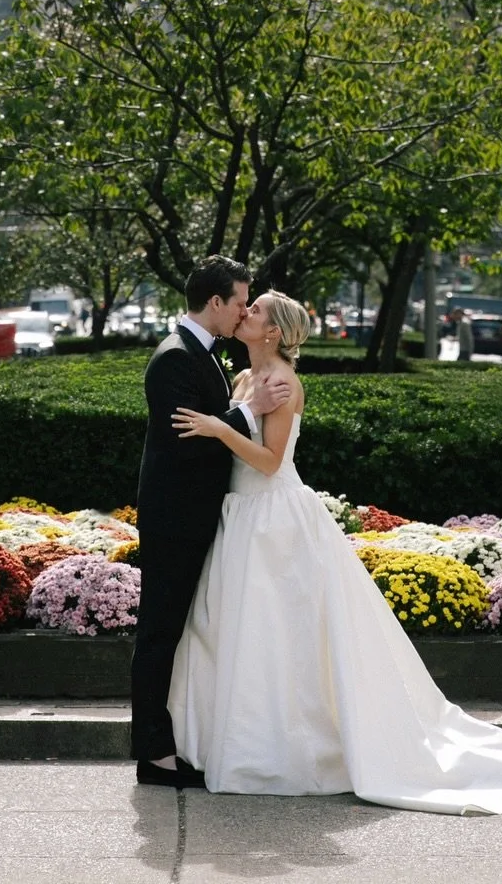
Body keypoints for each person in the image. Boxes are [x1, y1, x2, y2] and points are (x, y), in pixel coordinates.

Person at [168, 290, 502, 813]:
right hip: (242, 517)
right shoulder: (245, 379)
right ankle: (244, 742)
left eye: (257, 309)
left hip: (274, 520)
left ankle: (286, 751)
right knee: (244, 634)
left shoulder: (283, 384)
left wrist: (220, 427)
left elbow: (268, 462)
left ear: (273, 332)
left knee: (279, 633)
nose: (246, 312)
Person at [130, 256, 291, 789]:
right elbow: (185, 438)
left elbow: (213, 430)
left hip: (201, 515)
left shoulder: (208, 356)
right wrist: (249, 410)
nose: (244, 309)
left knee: (186, 632)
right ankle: (153, 755)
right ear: (216, 302)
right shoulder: (173, 358)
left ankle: (185, 741)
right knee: (160, 632)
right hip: (174, 518)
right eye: (240, 300)